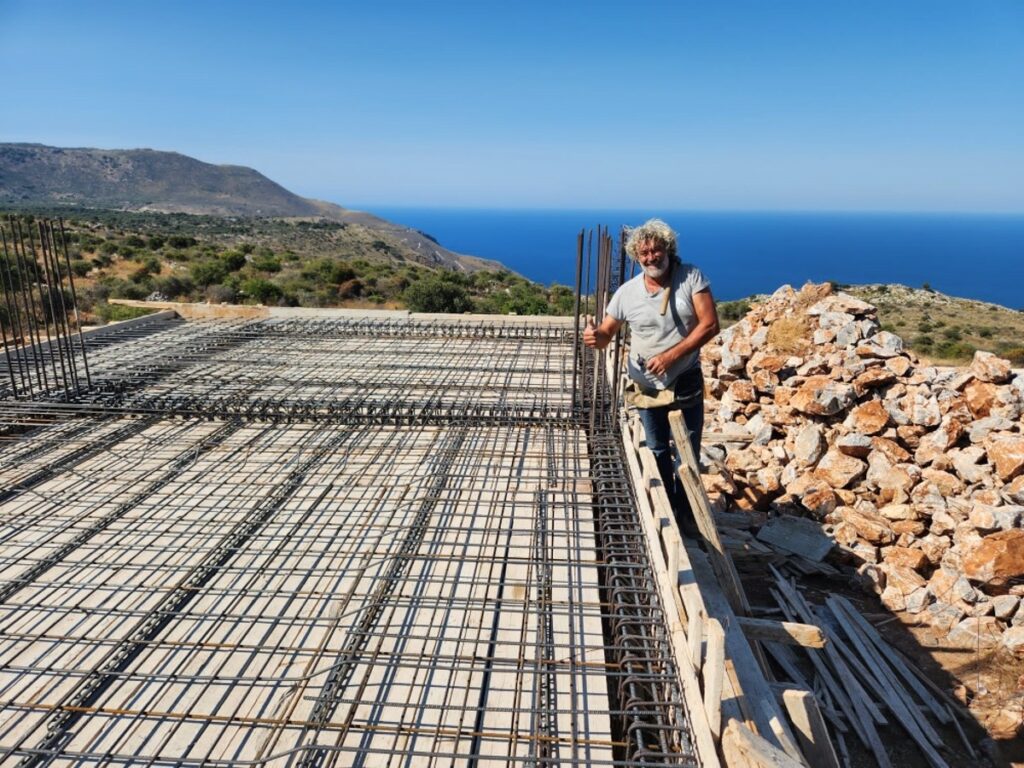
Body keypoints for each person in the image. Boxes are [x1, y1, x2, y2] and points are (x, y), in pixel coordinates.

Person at [583, 218, 719, 536]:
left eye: (656, 250)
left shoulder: (691, 277)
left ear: (668, 249)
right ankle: (666, 511)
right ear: (636, 256)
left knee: (687, 449)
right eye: (643, 253)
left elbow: (710, 324)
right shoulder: (627, 293)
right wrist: (595, 337)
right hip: (645, 383)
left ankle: (688, 516)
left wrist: (672, 356)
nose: (650, 258)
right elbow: (606, 332)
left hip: (684, 377)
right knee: (657, 447)